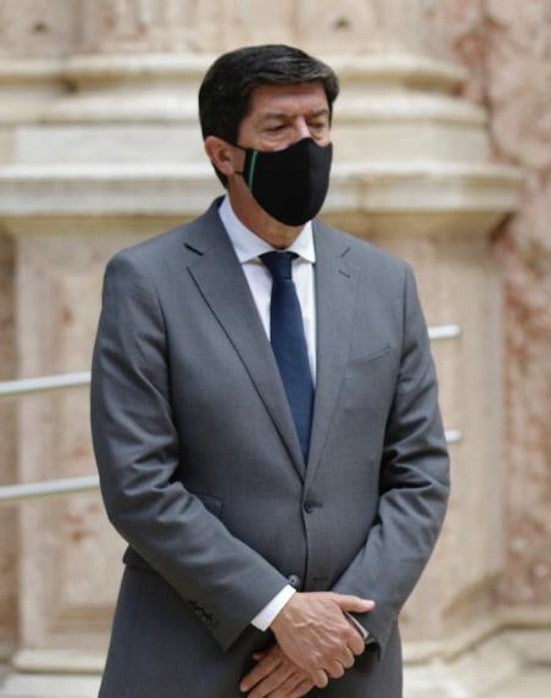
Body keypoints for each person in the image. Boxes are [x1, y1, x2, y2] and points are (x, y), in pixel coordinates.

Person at [90, 44, 450, 698]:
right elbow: (138, 483)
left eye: (318, 124)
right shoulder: (147, 283)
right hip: (188, 656)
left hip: (348, 656)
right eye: (279, 128)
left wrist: (344, 628)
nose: (306, 143)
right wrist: (280, 611)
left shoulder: (385, 283)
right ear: (223, 153)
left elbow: (420, 472)